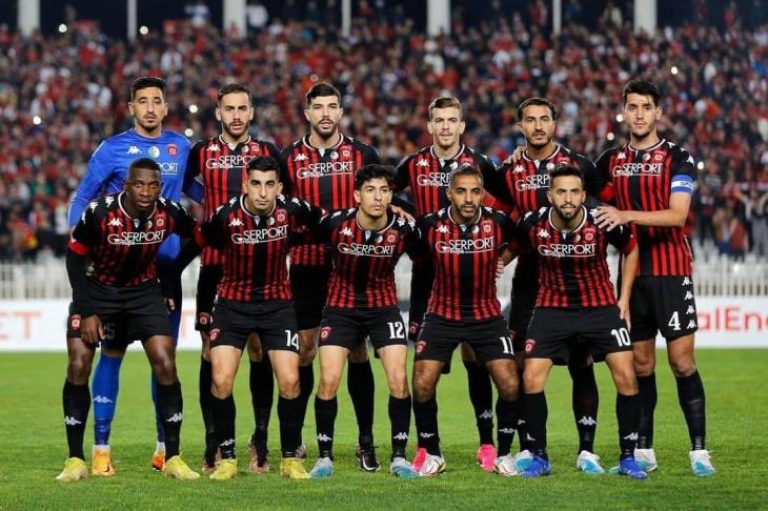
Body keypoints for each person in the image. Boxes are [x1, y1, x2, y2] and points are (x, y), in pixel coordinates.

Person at [67, 76, 202, 474]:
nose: (150, 108)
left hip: (163, 273)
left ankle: (164, 450)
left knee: (164, 358)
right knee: (110, 355)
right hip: (112, 270)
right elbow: (83, 195)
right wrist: (80, 238)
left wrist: (229, 204)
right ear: (131, 108)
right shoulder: (111, 149)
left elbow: (195, 190)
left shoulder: (180, 147)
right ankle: (99, 449)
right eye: (142, 101)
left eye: (156, 101)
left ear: (165, 107)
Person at [593, 79, 715, 477]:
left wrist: (625, 214)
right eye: (633, 107)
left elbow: (677, 215)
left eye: (647, 107)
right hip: (631, 275)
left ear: (658, 112)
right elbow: (576, 185)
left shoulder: (677, 157)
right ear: (624, 112)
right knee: (642, 365)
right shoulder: (610, 161)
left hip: (671, 272)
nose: (640, 114)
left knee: (682, 362)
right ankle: (644, 449)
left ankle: (699, 450)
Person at [507, 165, 646, 480]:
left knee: (626, 374)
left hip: (599, 308)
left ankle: (628, 457)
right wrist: (494, 265)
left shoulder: (602, 220)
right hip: (551, 308)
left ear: (583, 195)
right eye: (561, 192)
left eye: (574, 192)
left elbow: (631, 248)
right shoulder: (532, 223)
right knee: (531, 377)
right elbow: (510, 250)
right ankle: (539, 457)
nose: (567, 198)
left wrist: (624, 298)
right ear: (550, 195)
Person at [395, 96, 505, 472]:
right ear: (430, 126)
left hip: (472, 276)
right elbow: (384, 192)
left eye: (451, 120)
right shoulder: (413, 164)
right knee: (426, 370)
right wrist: (401, 210)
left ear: (461, 126)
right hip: (428, 276)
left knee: (477, 362)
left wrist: (499, 254)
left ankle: (487, 443)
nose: (445, 127)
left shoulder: (481, 164)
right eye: (438, 120)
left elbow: (508, 206)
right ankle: (428, 447)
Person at [497, 97, 607, 474]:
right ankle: (532, 447)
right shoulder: (509, 171)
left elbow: (607, 209)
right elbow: (501, 219)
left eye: (544, 119)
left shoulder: (581, 166)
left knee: (582, 362)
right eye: (530, 120)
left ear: (555, 124)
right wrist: (499, 258)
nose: (538, 126)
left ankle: (587, 450)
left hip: (575, 280)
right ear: (521, 127)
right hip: (530, 282)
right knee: (523, 364)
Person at [194, 156, 321, 480]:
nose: (262, 192)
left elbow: (324, 224)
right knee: (221, 380)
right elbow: (203, 245)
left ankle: (290, 459)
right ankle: (228, 459)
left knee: (290, 381)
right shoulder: (225, 215)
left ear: (279, 187)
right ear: (245, 185)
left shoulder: (292, 209)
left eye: (269, 185)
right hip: (232, 306)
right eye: (255, 184)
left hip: (278, 306)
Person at [281, 82, 380, 470]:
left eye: (332, 106)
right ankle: (298, 440)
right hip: (306, 267)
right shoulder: (288, 157)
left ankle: (365, 440)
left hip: (351, 266)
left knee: (356, 350)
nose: (325, 113)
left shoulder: (363, 154)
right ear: (307, 113)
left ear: (341, 112)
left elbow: (380, 199)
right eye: (318, 107)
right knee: (305, 350)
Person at [187, 83, 281, 473]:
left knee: (259, 351)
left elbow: (282, 198)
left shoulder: (267, 152)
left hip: (260, 266)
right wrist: (209, 211)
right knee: (210, 352)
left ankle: (260, 437)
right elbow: (187, 189)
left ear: (251, 112)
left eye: (243, 108)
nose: (237, 115)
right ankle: (214, 441)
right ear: (218, 113)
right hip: (215, 266)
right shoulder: (201, 152)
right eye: (230, 109)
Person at [307, 164, 420, 479]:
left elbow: (429, 257)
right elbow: (300, 242)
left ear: (391, 196)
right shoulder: (334, 223)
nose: (378, 197)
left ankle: (399, 457)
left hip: (383, 309)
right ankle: (324, 457)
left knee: (398, 378)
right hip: (340, 308)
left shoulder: (405, 229)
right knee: (329, 379)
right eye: (370, 190)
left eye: (384, 191)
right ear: (357, 195)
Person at [412, 165, 520, 477]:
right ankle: (432, 453)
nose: (469, 198)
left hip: (486, 315)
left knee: (510, 383)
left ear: (483, 194)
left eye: (475, 191)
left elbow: (521, 241)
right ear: (450, 193)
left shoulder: (498, 222)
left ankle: (503, 453)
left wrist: (502, 259)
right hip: (441, 314)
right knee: (422, 382)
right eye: (461, 191)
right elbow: (415, 256)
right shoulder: (430, 225)